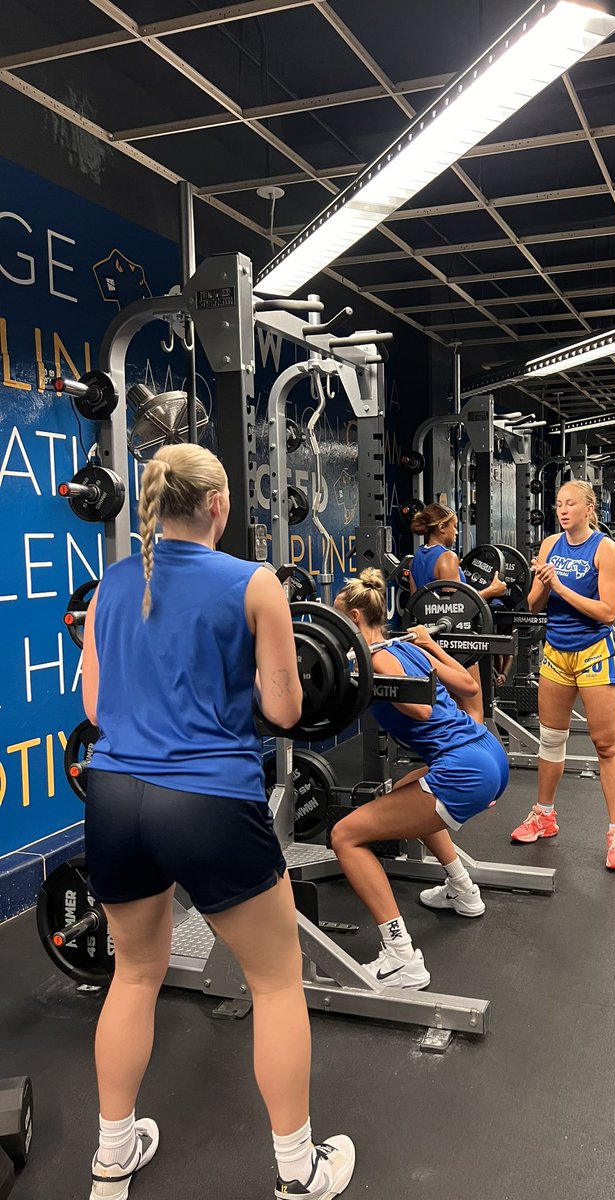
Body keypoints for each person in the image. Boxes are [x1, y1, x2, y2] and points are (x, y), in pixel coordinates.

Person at [79, 444, 354, 1200]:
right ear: (219, 507)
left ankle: (111, 1158)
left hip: (114, 796)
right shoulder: (253, 583)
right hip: (205, 801)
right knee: (275, 982)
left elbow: (97, 710)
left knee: (133, 975)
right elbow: (288, 711)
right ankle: (299, 1170)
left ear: (152, 505)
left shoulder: (111, 583)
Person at [332, 570, 509, 987]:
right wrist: (431, 646)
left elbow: (422, 710)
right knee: (405, 792)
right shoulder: (410, 647)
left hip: (463, 768)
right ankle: (463, 889)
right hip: (485, 752)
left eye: (339, 622)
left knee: (345, 836)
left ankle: (400, 958)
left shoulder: (376, 658)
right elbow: (468, 683)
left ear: (356, 618)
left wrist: (365, 679)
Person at [508, 480, 615, 870]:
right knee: (551, 738)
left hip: (594, 651)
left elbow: (608, 613)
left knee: (605, 744)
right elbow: (532, 604)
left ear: (588, 508)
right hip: (556, 652)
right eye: (558, 504)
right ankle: (544, 814)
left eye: (570, 504)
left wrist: (559, 583)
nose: (562, 510)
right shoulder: (548, 545)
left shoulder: (605, 549)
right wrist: (544, 584)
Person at [408, 502, 507, 719]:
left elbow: (417, 604)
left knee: (446, 708)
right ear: (441, 528)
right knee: (473, 708)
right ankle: (475, 749)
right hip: (458, 642)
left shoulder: (416, 558)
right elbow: (457, 609)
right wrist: (493, 590)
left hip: (432, 642)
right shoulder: (447, 557)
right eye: (453, 526)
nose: (456, 531)